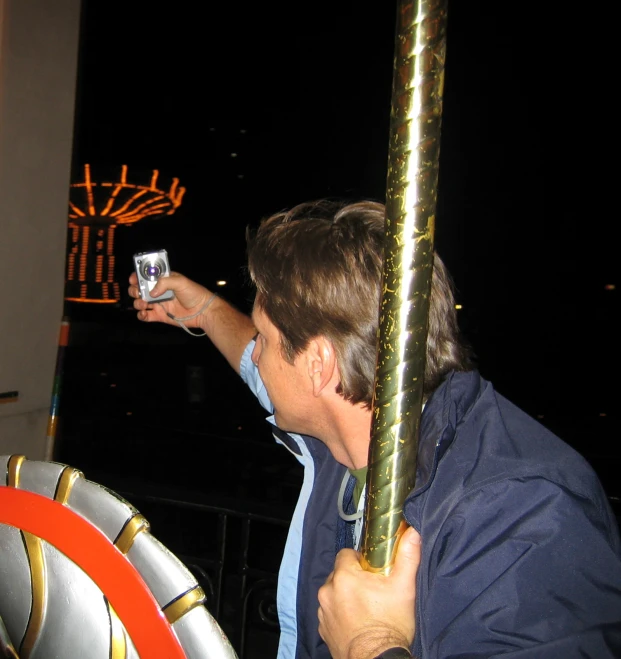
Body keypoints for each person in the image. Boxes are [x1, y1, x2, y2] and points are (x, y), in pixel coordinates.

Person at [129, 200, 621, 659]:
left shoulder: (521, 511)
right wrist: (206, 311)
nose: (254, 354)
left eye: (265, 338)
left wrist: (372, 643)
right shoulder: (347, 435)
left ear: (319, 365)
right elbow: (260, 369)